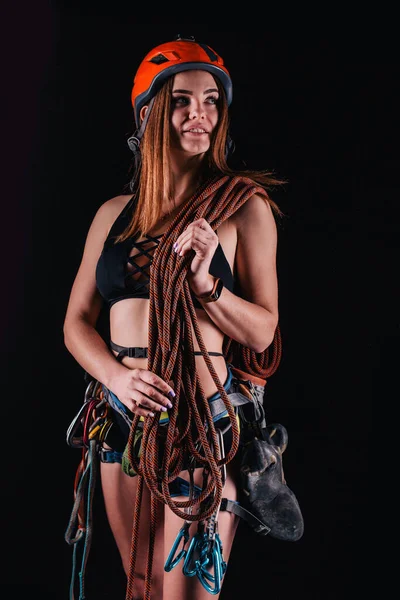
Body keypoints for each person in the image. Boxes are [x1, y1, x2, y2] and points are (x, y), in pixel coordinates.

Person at [63, 34, 284, 600]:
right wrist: (117, 378)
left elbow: (263, 331)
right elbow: (76, 323)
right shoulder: (114, 215)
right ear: (151, 112)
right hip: (123, 416)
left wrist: (208, 286)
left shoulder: (243, 208)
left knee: (183, 594)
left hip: (200, 420)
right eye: (182, 100)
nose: (199, 114)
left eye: (211, 101)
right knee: (139, 585)